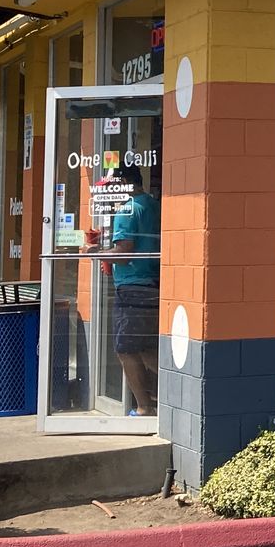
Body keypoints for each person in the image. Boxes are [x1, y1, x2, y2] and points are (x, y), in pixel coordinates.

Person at [109, 167, 162, 415]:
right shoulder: (153, 204)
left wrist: (93, 253)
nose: (109, 191)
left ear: (125, 184)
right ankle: (163, 399)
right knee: (146, 347)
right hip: (153, 280)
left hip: (132, 286)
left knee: (126, 348)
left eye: (113, 185)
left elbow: (123, 253)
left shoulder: (127, 209)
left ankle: (143, 407)